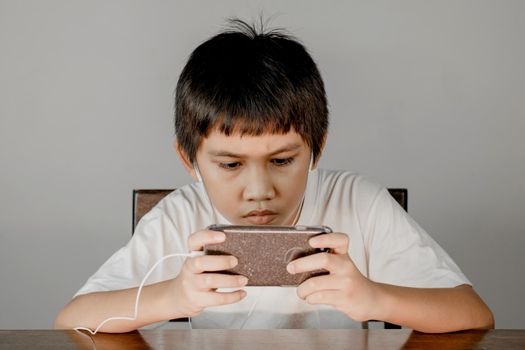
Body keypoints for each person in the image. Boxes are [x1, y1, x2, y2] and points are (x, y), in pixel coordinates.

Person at [54, 19, 494, 333]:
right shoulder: (180, 215)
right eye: (230, 165)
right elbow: (71, 319)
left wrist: (373, 297)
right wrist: (173, 296)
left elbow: (472, 312)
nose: (260, 191)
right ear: (188, 160)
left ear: (317, 148)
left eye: (282, 160)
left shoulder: (358, 202)